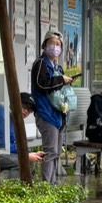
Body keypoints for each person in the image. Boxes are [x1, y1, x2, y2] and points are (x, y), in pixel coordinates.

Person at [30, 31, 72, 185]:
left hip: (59, 115)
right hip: (46, 114)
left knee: (56, 153)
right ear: (44, 45)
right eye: (52, 43)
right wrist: (61, 79)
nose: (55, 47)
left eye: (58, 44)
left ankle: (53, 184)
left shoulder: (58, 67)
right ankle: (46, 186)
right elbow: (42, 84)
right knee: (50, 151)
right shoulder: (41, 63)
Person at [0, 93, 42, 176]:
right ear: (15, 102)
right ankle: (8, 187)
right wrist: (25, 155)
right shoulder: (3, 114)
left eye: (29, 111)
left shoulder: (13, 117)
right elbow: (2, 146)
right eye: (24, 107)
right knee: (23, 163)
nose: (26, 111)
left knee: (29, 161)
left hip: (4, 153)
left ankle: (22, 186)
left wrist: (27, 153)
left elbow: (13, 143)